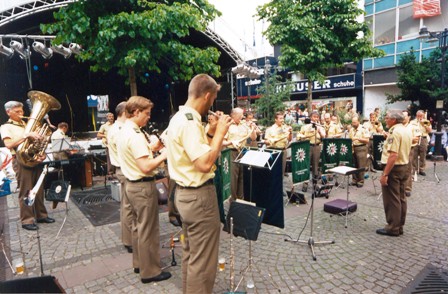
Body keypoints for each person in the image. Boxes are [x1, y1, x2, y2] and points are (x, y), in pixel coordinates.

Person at [164, 74, 232, 294]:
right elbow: (204, 163)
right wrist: (221, 133)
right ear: (208, 96)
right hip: (199, 197)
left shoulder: (179, 117)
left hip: (184, 195)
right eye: (213, 100)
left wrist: (211, 132)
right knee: (203, 262)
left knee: (192, 255)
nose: (212, 105)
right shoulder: (190, 122)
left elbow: (195, 150)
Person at [115, 96, 171, 284]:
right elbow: (146, 166)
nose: (148, 117)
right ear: (136, 112)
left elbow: (137, 154)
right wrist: (163, 154)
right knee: (148, 230)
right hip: (142, 185)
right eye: (146, 114)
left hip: (132, 185)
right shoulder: (135, 134)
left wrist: (151, 148)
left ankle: (139, 263)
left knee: (139, 228)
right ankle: (150, 271)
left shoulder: (124, 131)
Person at [0, 101, 55, 231]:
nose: (21, 114)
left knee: (39, 188)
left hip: (33, 159)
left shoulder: (26, 124)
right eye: (17, 112)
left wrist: (41, 152)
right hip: (20, 161)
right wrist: (26, 135)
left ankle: (41, 215)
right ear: (8, 112)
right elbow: (9, 144)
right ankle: (27, 220)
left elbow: (37, 142)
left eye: (22, 111)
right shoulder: (5, 127)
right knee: (26, 190)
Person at [377, 110, 412, 237]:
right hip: (404, 165)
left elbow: (393, 155)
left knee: (392, 199)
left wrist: (385, 174)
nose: (385, 120)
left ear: (394, 120)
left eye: (387, 118)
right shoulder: (406, 129)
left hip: (394, 168)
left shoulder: (395, 132)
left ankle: (392, 227)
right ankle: (399, 225)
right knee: (401, 197)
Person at [106, 102, 134, 253]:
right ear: (125, 112)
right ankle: (129, 240)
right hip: (125, 169)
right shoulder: (119, 129)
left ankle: (129, 238)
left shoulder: (117, 128)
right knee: (129, 206)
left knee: (127, 205)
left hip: (124, 169)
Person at [223, 107, 256, 202]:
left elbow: (252, 139)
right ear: (233, 115)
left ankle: (240, 202)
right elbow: (222, 141)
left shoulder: (244, 125)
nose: (242, 116)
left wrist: (252, 129)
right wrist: (231, 142)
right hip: (232, 153)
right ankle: (233, 203)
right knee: (233, 180)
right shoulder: (227, 126)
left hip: (243, 153)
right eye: (240, 114)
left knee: (242, 178)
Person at [297, 111, 326, 179]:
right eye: (314, 117)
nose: (315, 118)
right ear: (310, 118)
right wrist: (304, 137)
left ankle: (315, 181)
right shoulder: (305, 127)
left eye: (317, 117)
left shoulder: (320, 127)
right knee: (306, 164)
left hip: (317, 146)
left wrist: (319, 130)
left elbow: (324, 136)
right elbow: (299, 135)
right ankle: (305, 182)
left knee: (315, 165)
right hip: (307, 146)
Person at [264, 111, 292, 176]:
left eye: (283, 118)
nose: (282, 120)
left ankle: (280, 185)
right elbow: (266, 142)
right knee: (274, 171)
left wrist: (290, 132)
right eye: (280, 118)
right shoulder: (270, 129)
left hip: (283, 151)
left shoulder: (285, 128)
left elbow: (289, 139)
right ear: (275, 119)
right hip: (274, 151)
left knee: (282, 171)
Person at [349, 116, 370, 187]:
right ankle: (354, 180)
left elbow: (367, 140)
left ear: (358, 122)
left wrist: (358, 138)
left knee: (361, 165)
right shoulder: (351, 129)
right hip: (353, 148)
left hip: (361, 148)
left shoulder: (364, 129)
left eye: (354, 122)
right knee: (354, 165)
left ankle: (360, 181)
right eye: (352, 122)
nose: (353, 124)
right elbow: (350, 138)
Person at [403, 110, 420, 197]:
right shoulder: (398, 126)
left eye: (404, 116)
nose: (403, 117)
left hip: (409, 149)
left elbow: (416, 139)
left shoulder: (413, 126)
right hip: (400, 149)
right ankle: (400, 187)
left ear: (409, 117)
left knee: (408, 168)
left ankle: (407, 188)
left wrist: (404, 138)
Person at [410, 110, 431, 176]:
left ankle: (422, 169)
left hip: (423, 138)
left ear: (423, 116)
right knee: (414, 154)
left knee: (423, 154)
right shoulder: (412, 122)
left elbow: (429, 130)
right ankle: (414, 169)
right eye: (418, 116)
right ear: (416, 116)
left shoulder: (426, 121)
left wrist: (424, 124)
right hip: (415, 138)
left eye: (421, 116)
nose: (420, 117)